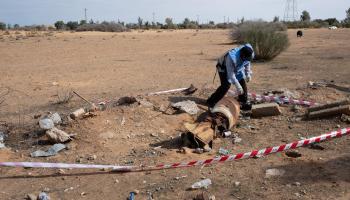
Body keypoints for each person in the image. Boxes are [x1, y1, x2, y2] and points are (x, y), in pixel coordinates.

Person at [207, 43, 254, 111]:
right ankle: (211, 101)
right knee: (226, 85)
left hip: (237, 67)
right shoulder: (231, 58)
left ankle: (243, 102)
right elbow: (231, 74)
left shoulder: (249, 53)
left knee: (242, 83)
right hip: (223, 68)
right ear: (242, 55)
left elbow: (247, 63)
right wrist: (237, 86)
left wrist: (248, 73)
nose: (247, 59)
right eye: (245, 58)